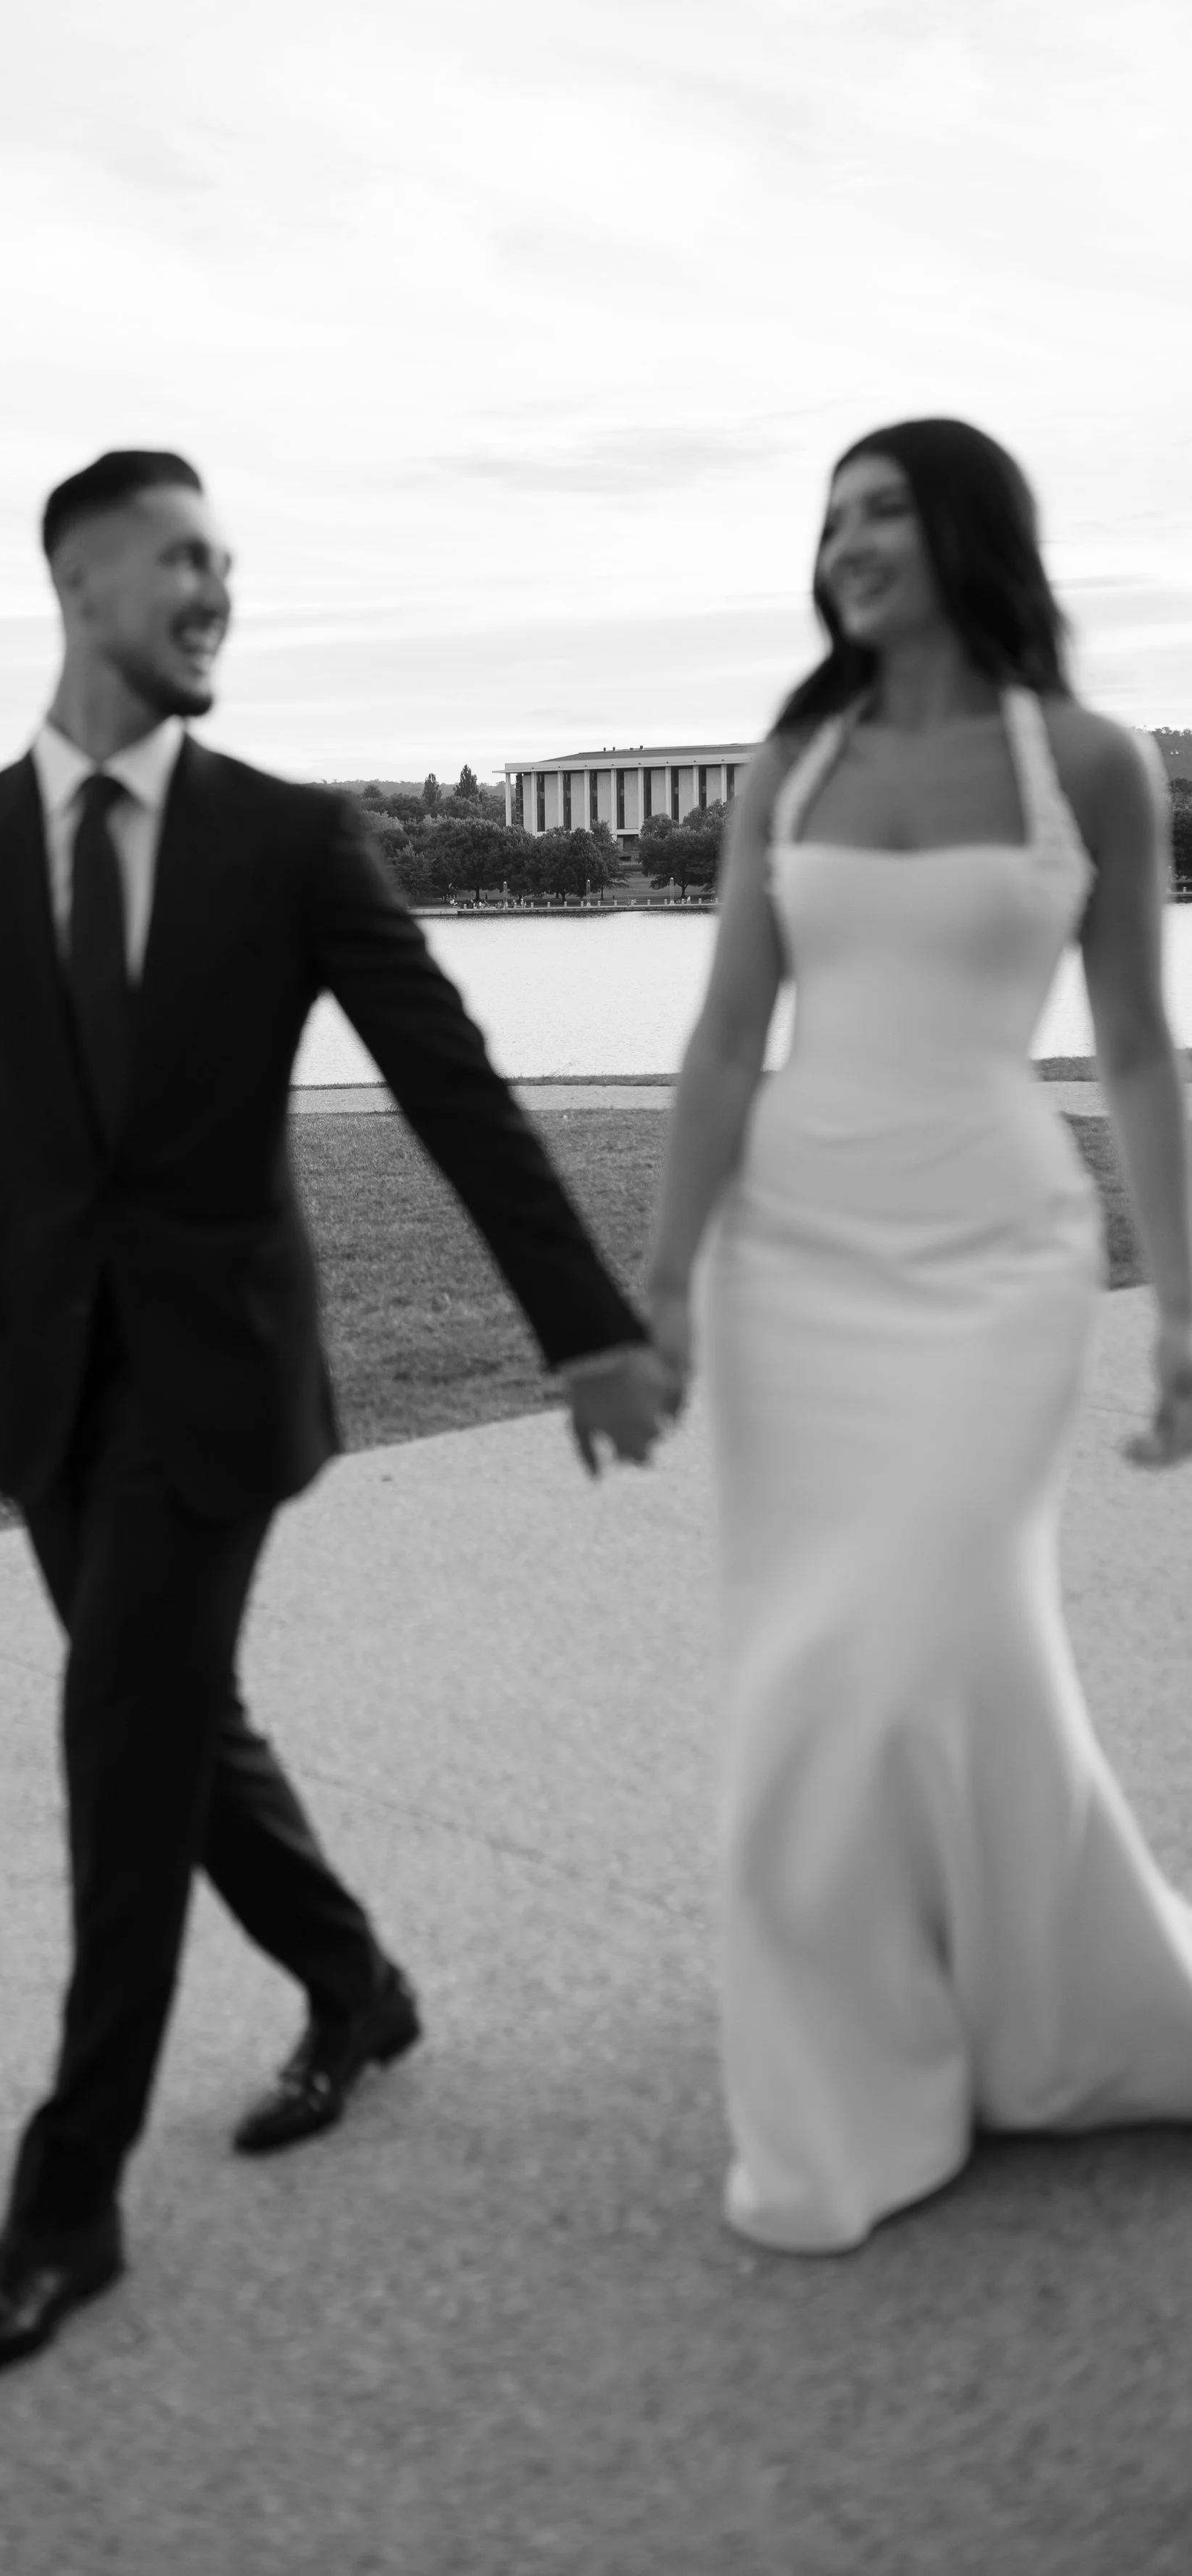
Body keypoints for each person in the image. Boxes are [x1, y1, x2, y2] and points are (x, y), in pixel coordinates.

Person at [0, 448, 675, 2387]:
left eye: (232, 561)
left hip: (220, 1378)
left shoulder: (289, 840)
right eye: (185, 559)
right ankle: (353, 1980)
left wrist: (581, 1328)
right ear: (80, 581)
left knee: (122, 1729)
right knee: (180, 1723)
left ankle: (67, 2201)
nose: (219, 590)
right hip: (43, 1385)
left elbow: (450, 1084)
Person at [644, 417, 1192, 2254]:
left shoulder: (1090, 765)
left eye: (879, 510)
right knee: (823, 1669)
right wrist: (656, 1286)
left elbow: (1128, 1047)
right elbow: (724, 1041)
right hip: (793, 1265)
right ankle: (853, 2086)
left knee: (934, 1633)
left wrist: (1181, 1299)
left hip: (994, 1265)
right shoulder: (789, 766)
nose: (845, 541)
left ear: (967, 531)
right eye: (827, 518)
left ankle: (1059, 2022)